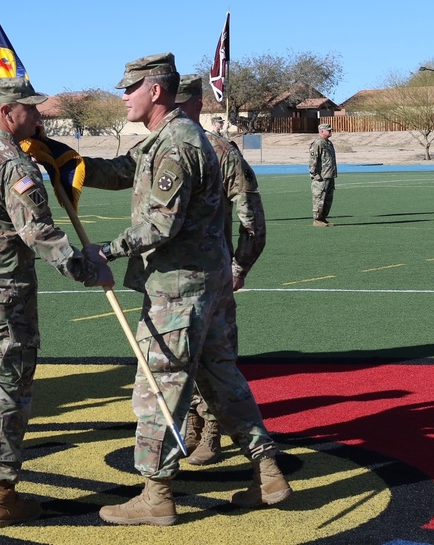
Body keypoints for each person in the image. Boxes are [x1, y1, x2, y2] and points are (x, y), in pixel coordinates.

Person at [81, 54, 289, 526]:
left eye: (130, 88)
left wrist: (106, 251)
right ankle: (268, 470)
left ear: (155, 91)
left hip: (179, 290)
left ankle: (156, 493)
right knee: (221, 380)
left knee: (160, 387)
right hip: (207, 283)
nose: (123, 97)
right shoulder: (173, 138)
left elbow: (161, 224)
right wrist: (67, 161)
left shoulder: (175, 144)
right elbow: (121, 172)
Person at [0, 77, 113, 529]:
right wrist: (88, 270)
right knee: (5, 389)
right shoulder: (13, 162)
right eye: (31, 110)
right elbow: (39, 233)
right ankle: (0, 495)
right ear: (7, 112)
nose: (38, 118)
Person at [173, 76, 290, 506]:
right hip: (175, 278)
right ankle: (195, 426)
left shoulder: (220, 150)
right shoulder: (159, 148)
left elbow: (252, 218)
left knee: (209, 360)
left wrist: (240, 266)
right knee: (188, 361)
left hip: (206, 277)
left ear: (195, 105)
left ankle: (211, 433)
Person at [309, 123, 337, 226]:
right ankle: (317, 220)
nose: (330, 132)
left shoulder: (328, 143)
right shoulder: (318, 143)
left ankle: (323, 218)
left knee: (328, 198)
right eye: (328, 130)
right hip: (321, 176)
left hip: (329, 174)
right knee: (319, 197)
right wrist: (315, 174)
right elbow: (313, 160)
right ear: (321, 131)